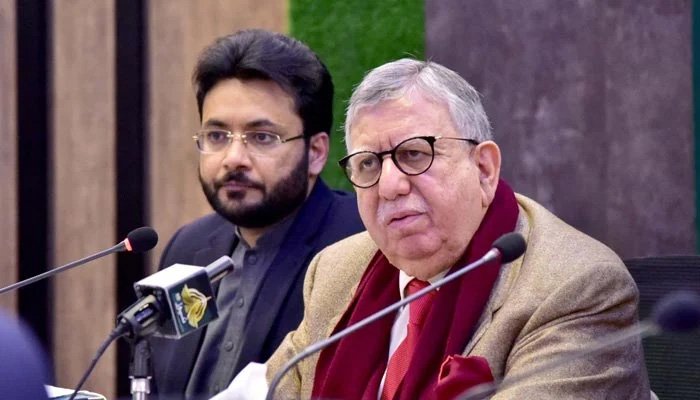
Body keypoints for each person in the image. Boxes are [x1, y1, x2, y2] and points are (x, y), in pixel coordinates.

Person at [216, 58, 650, 399]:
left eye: (414, 154)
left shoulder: (575, 288)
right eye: (368, 163)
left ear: (483, 168)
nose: (388, 185)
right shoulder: (336, 270)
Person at [148, 29, 365, 399]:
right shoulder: (189, 247)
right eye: (217, 136)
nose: (233, 158)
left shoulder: (356, 249)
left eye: (261, 137)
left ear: (315, 152)